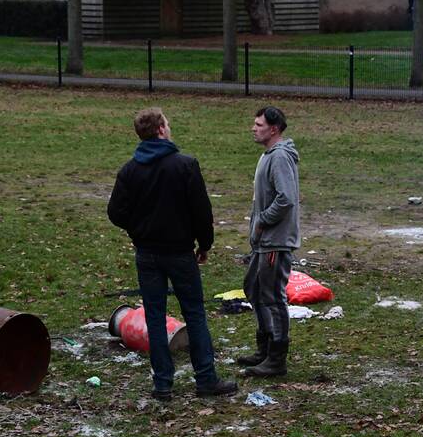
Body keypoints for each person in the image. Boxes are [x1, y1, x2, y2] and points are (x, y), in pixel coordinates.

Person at [108, 108, 237, 402]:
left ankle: (163, 383)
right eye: (167, 123)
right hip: (180, 252)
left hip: (147, 253)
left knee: (154, 317)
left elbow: (115, 212)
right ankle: (205, 378)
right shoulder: (185, 166)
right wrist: (204, 244)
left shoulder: (129, 171)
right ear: (161, 130)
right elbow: (202, 212)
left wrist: (137, 229)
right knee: (194, 313)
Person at [239, 106, 300, 378]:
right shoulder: (268, 156)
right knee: (253, 287)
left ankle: (277, 358)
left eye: (259, 124)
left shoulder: (280, 158)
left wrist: (263, 220)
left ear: (273, 129)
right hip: (263, 242)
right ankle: (264, 347)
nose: (254, 128)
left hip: (275, 241)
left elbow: (286, 198)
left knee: (273, 297)